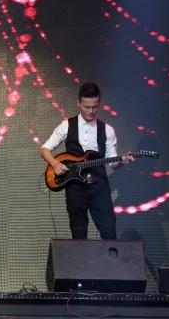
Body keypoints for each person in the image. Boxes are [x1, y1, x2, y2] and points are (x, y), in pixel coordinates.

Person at [40, 82, 133, 240]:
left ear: (99, 103)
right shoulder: (66, 126)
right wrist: (55, 164)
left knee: (109, 231)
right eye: (86, 107)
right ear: (78, 103)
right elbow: (44, 149)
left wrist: (122, 161)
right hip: (76, 189)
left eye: (94, 107)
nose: (90, 111)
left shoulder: (107, 130)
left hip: (99, 187)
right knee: (78, 234)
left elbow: (113, 164)